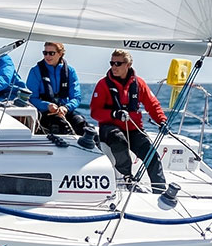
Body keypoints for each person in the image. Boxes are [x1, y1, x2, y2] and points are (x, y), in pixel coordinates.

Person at [90, 49, 171, 192]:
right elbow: (95, 112)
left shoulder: (139, 84)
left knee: (151, 154)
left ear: (128, 65)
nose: (114, 67)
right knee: (119, 140)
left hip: (133, 129)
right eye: (112, 63)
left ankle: (160, 190)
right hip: (110, 129)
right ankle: (127, 177)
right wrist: (114, 114)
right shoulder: (103, 84)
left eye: (118, 63)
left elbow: (153, 105)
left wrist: (162, 121)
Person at [25, 42, 86, 135]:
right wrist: (47, 106)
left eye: (51, 53)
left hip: (64, 111)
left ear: (60, 54)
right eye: (45, 53)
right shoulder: (35, 71)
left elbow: (76, 97)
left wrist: (66, 108)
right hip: (44, 113)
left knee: (81, 124)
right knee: (57, 125)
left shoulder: (70, 72)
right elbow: (31, 98)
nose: (47, 56)